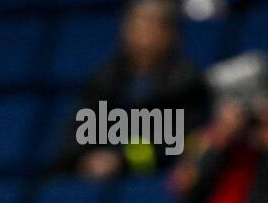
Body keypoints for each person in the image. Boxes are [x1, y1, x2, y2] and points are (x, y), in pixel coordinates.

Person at [57, 0, 207, 179]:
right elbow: (78, 131)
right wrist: (83, 158)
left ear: (170, 34)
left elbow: (178, 141)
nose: (141, 34)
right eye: (135, 25)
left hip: (158, 180)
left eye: (150, 25)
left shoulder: (186, 82)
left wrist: (121, 158)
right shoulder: (106, 78)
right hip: (101, 178)